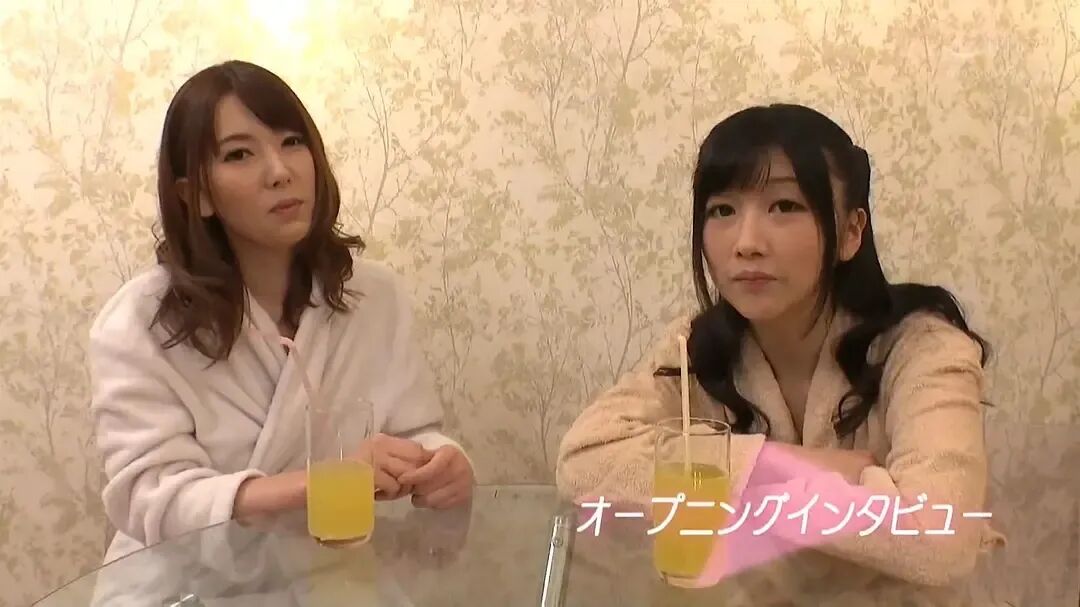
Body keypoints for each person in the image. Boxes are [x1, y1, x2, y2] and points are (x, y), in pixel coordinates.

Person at [556, 104, 1005, 589]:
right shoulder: (697, 344)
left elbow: (937, 538)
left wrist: (721, 485)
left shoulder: (922, 347)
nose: (747, 243)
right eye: (723, 210)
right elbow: (584, 461)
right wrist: (793, 467)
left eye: (785, 206)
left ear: (851, 232)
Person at [88, 60, 474, 564]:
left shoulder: (374, 296)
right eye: (240, 154)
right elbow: (149, 496)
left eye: (292, 142)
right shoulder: (141, 322)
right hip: (185, 586)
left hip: (329, 575)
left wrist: (442, 463)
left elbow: (411, 433)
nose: (280, 171)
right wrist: (322, 486)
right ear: (196, 195)